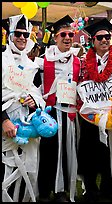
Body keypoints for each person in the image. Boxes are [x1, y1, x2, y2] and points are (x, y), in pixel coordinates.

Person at [76, 18, 112, 202]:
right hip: (90, 116)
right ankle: (91, 190)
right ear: (93, 41)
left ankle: (109, 190)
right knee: (89, 151)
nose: (104, 40)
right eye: (99, 37)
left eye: (107, 37)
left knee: (111, 152)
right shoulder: (83, 64)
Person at [2, 14, 46, 202]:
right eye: (18, 33)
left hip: (26, 126)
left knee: (26, 169)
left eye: (26, 34)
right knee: (5, 168)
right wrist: (3, 120)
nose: (22, 38)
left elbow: (37, 94)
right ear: (10, 35)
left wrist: (33, 102)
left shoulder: (31, 65)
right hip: (5, 124)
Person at [37, 15, 81, 202]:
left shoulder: (78, 61)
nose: (68, 38)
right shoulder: (43, 61)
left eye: (70, 34)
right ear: (55, 37)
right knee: (48, 152)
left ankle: (61, 190)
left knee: (67, 152)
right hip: (51, 112)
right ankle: (45, 190)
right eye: (63, 34)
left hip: (70, 113)